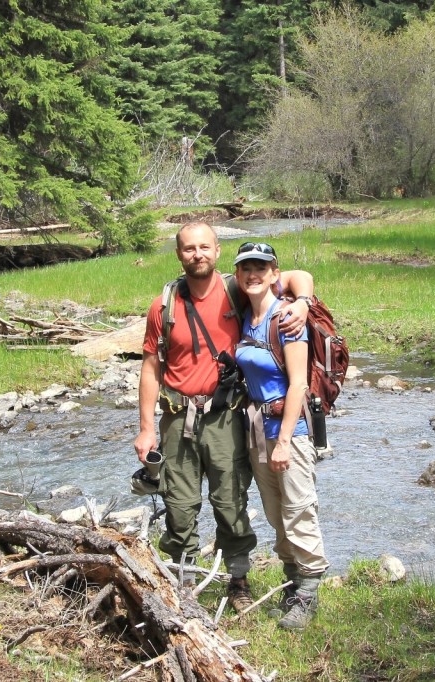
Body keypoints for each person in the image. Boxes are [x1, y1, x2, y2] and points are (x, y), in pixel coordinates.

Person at [134, 222, 313, 612]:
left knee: (230, 501)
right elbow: (150, 367)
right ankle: (182, 580)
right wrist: (147, 428)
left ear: (217, 251)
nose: (197, 254)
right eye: (188, 249)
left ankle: (238, 579)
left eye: (204, 247)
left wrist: (303, 303)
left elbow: (299, 276)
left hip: (226, 415)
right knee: (179, 507)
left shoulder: (238, 289)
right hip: (177, 418)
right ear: (179, 254)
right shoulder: (164, 305)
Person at [233, 241, 328, 630]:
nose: (253, 274)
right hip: (257, 430)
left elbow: (298, 386)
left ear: (275, 273)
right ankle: (292, 585)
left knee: (298, 509)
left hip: (289, 429)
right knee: (276, 513)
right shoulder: (246, 316)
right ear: (238, 275)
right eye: (246, 268)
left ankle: (308, 592)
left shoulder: (286, 318)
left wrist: (285, 440)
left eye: (262, 267)